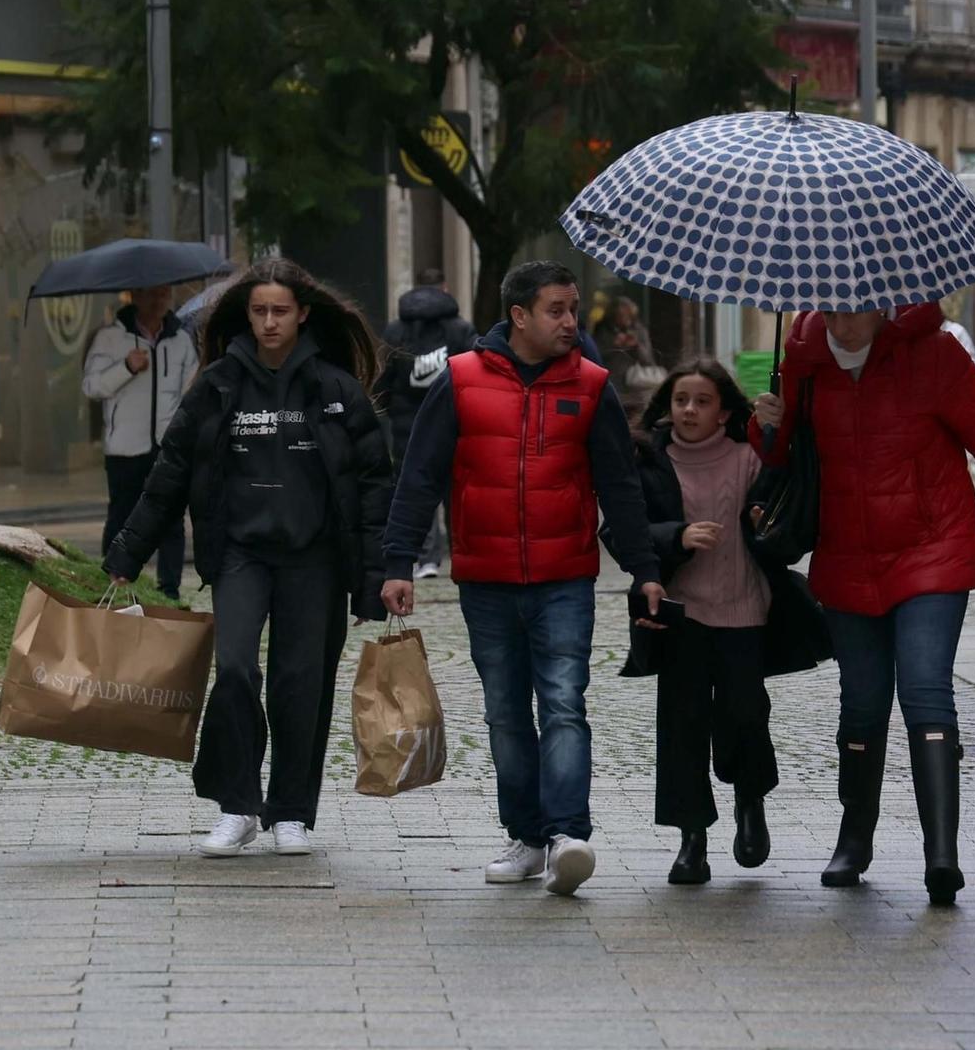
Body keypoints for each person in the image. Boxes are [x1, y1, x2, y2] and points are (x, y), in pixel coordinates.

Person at [752, 305, 975, 905]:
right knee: (863, 703)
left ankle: (941, 854)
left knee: (925, 689)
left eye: (856, 309)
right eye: (832, 309)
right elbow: (786, 459)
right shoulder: (803, 359)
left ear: (882, 302)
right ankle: (854, 838)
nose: (844, 322)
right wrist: (766, 425)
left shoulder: (932, 355)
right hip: (846, 554)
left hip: (933, 549)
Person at [380, 260, 666, 897]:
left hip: (565, 575)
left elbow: (620, 487)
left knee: (563, 703)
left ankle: (568, 835)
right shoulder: (459, 379)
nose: (571, 321)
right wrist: (397, 562)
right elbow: (419, 476)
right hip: (485, 578)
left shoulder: (592, 385)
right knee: (506, 713)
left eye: (573, 308)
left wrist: (645, 568)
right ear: (520, 316)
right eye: (557, 310)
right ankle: (527, 837)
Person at [105, 259, 391, 857]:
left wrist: (373, 580)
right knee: (234, 670)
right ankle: (238, 806)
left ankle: (291, 812)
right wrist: (129, 549)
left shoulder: (334, 389)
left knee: (300, 684)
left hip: (313, 560)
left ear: (303, 314)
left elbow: (372, 487)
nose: (268, 322)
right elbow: (171, 472)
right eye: (259, 311)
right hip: (239, 556)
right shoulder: (218, 386)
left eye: (280, 311)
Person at [607, 359, 827, 886]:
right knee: (681, 728)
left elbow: (790, 498)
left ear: (725, 410)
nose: (689, 410)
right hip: (679, 616)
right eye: (682, 399)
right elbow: (622, 531)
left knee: (744, 717)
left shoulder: (750, 457)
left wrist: (776, 434)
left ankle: (750, 800)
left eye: (703, 401)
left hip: (745, 612)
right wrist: (674, 537)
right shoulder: (649, 461)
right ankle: (691, 838)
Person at [83, 284, 198, 601]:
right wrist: (126, 367)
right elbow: (91, 386)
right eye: (152, 293)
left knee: (172, 519)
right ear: (134, 297)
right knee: (121, 516)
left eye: (164, 294)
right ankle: (110, 580)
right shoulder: (110, 337)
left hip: (168, 446)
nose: (160, 299)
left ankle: (169, 589)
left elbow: (191, 388)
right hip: (125, 446)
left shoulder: (180, 340)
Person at [370, 269, 475, 579]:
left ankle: (423, 558)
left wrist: (388, 411)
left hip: (408, 428)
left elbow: (383, 379)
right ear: (444, 288)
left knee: (416, 489)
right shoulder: (460, 329)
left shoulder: (395, 330)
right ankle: (462, 555)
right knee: (457, 493)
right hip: (456, 425)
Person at [594, 294, 664, 411]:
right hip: (612, 382)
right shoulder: (603, 330)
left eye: (627, 315)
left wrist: (636, 345)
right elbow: (596, 355)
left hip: (635, 384)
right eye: (620, 316)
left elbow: (648, 360)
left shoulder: (639, 330)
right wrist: (614, 344)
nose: (624, 319)